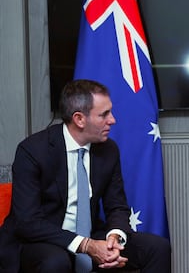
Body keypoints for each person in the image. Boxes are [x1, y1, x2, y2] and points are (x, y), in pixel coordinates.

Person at [0, 79, 171, 273]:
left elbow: (116, 206)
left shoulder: (108, 150)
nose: (113, 120)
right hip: (41, 239)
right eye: (104, 114)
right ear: (79, 119)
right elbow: (28, 222)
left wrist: (114, 238)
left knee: (157, 248)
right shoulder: (32, 151)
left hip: (89, 233)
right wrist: (86, 245)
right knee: (55, 261)